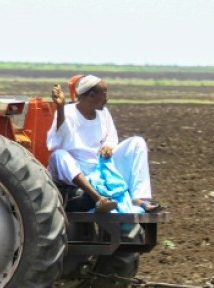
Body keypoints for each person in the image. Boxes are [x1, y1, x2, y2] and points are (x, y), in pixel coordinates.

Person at [46, 75, 159, 214]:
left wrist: (108, 146)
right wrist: (60, 108)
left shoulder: (104, 113)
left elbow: (111, 138)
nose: (107, 99)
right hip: (74, 169)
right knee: (59, 155)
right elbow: (58, 142)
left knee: (137, 143)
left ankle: (138, 198)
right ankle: (98, 198)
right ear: (92, 95)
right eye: (104, 94)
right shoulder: (68, 112)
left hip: (100, 167)